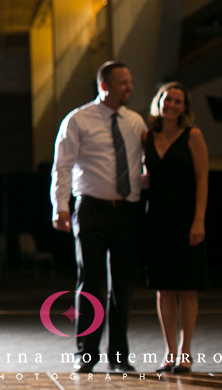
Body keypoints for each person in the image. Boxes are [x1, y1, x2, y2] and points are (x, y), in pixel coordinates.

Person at [51, 61, 148, 373]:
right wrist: (60, 207)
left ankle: (119, 357)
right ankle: (87, 355)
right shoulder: (78, 120)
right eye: (123, 83)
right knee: (91, 284)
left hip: (128, 211)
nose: (129, 88)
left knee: (123, 286)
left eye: (130, 82)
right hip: (91, 209)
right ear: (104, 86)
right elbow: (62, 165)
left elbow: (146, 163)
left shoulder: (135, 122)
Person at [143, 82, 208, 374]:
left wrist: (199, 219)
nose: (171, 105)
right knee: (163, 289)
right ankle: (169, 353)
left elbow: (203, 179)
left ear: (185, 108)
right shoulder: (146, 136)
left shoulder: (193, 135)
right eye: (168, 99)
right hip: (156, 217)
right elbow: (146, 176)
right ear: (159, 102)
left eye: (178, 101)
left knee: (187, 287)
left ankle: (186, 352)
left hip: (185, 217)